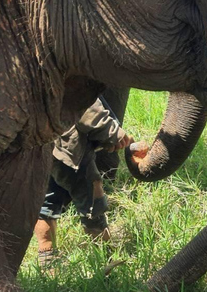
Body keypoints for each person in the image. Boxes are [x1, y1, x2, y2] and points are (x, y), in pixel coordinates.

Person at [33, 95, 134, 269]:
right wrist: (114, 133)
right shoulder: (70, 71)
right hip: (70, 150)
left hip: (43, 143)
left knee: (48, 198)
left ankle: (47, 259)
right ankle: (106, 257)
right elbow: (82, 103)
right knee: (92, 196)